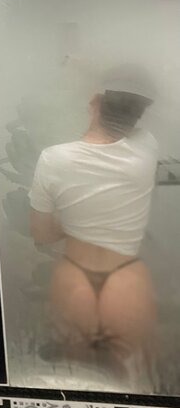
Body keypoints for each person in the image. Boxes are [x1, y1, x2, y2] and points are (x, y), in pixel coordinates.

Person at [28, 72, 159, 388]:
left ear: (95, 102)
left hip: (73, 273)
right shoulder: (146, 148)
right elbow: (126, 123)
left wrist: (71, 225)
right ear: (138, 114)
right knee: (128, 383)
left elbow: (41, 234)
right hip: (127, 276)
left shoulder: (54, 159)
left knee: (80, 380)